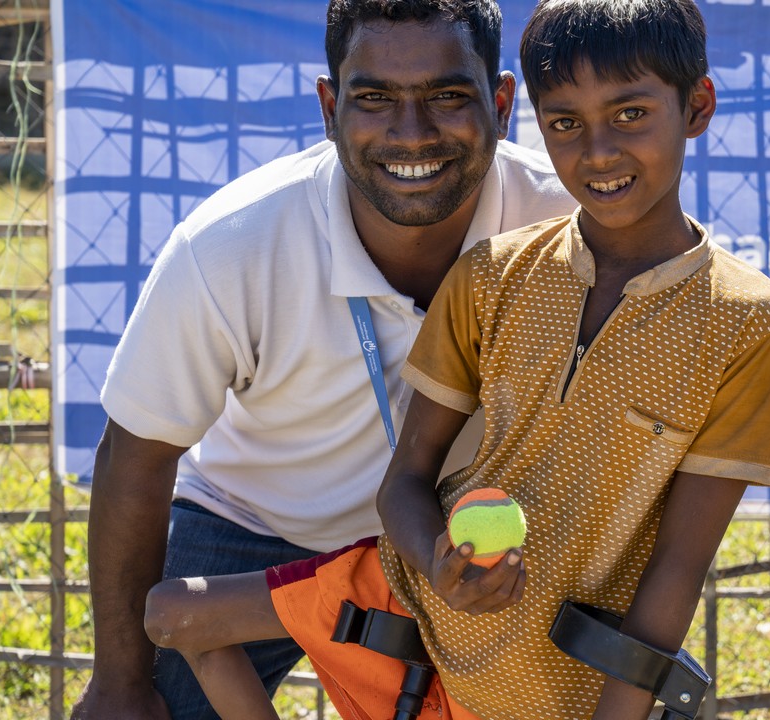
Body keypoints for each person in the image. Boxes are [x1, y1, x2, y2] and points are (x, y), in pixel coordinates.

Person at [142, 0, 770, 718]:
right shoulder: (491, 275)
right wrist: (439, 566)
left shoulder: (745, 322)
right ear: (535, 123)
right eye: (565, 125)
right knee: (176, 615)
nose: (599, 151)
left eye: (632, 114)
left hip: (557, 657)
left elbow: (678, 566)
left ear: (697, 106)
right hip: (412, 594)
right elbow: (407, 482)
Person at [69, 0, 577, 717]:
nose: (412, 133)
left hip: (446, 544)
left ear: (499, 102)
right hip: (254, 526)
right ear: (329, 105)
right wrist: (121, 682)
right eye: (374, 98)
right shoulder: (233, 242)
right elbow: (135, 454)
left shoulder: (565, 230)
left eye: (447, 96)